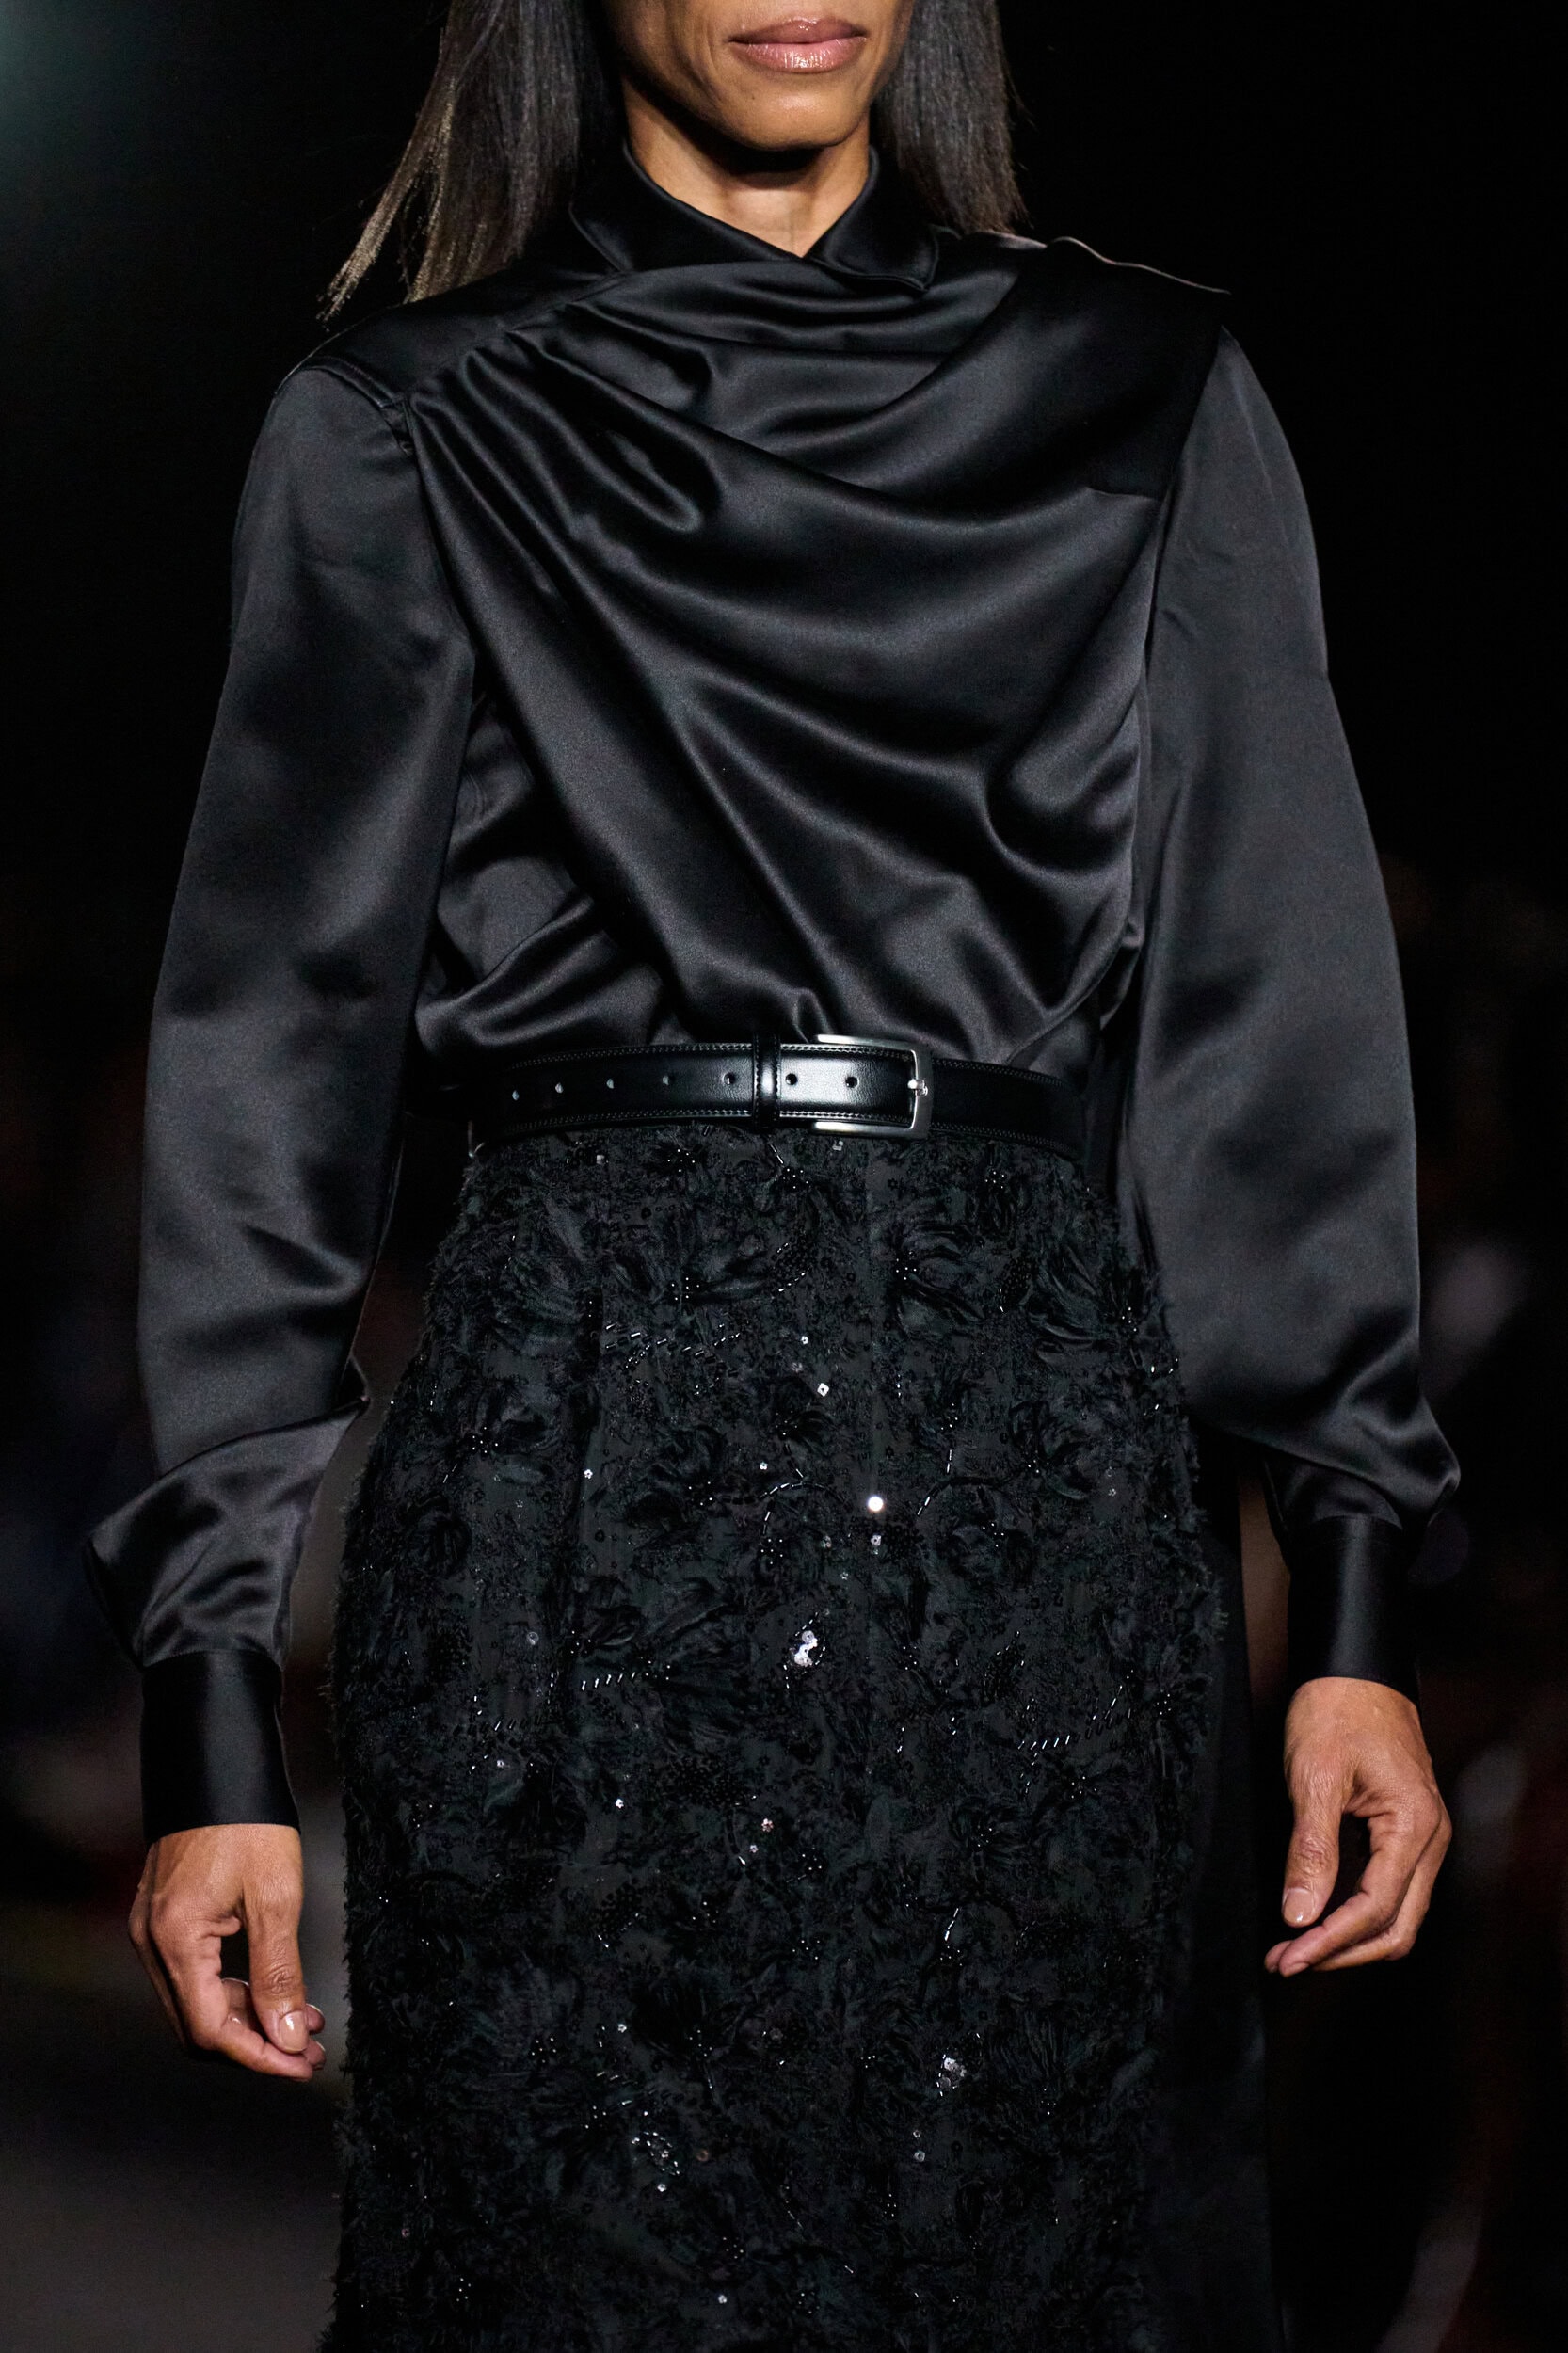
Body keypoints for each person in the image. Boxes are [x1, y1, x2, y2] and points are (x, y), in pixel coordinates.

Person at [88, 3, 1457, 2345]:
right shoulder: (410, 420)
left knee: (1006, 2249)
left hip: (1028, 1498)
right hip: (574, 1482)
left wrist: (1351, 1612)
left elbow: (1275, 1030)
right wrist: (208, 1700)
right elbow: (267, 1072)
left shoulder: (1143, 392)